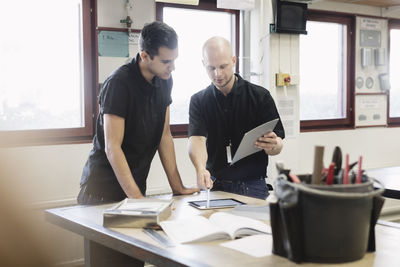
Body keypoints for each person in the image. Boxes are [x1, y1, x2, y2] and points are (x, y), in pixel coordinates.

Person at [78, 21, 199, 205]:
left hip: (135, 189)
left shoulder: (165, 80)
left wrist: (178, 188)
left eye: (174, 60)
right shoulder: (119, 83)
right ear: (145, 55)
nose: (172, 67)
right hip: (102, 192)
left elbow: (164, 135)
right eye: (166, 61)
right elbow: (113, 147)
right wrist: (137, 200)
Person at [188, 36, 285, 199]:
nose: (217, 74)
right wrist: (200, 169)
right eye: (211, 68)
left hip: (253, 185)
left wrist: (273, 146)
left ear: (234, 60)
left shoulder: (260, 96)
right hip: (214, 184)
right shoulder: (199, 100)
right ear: (203, 64)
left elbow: (278, 144)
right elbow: (196, 139)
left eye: (223, 66)